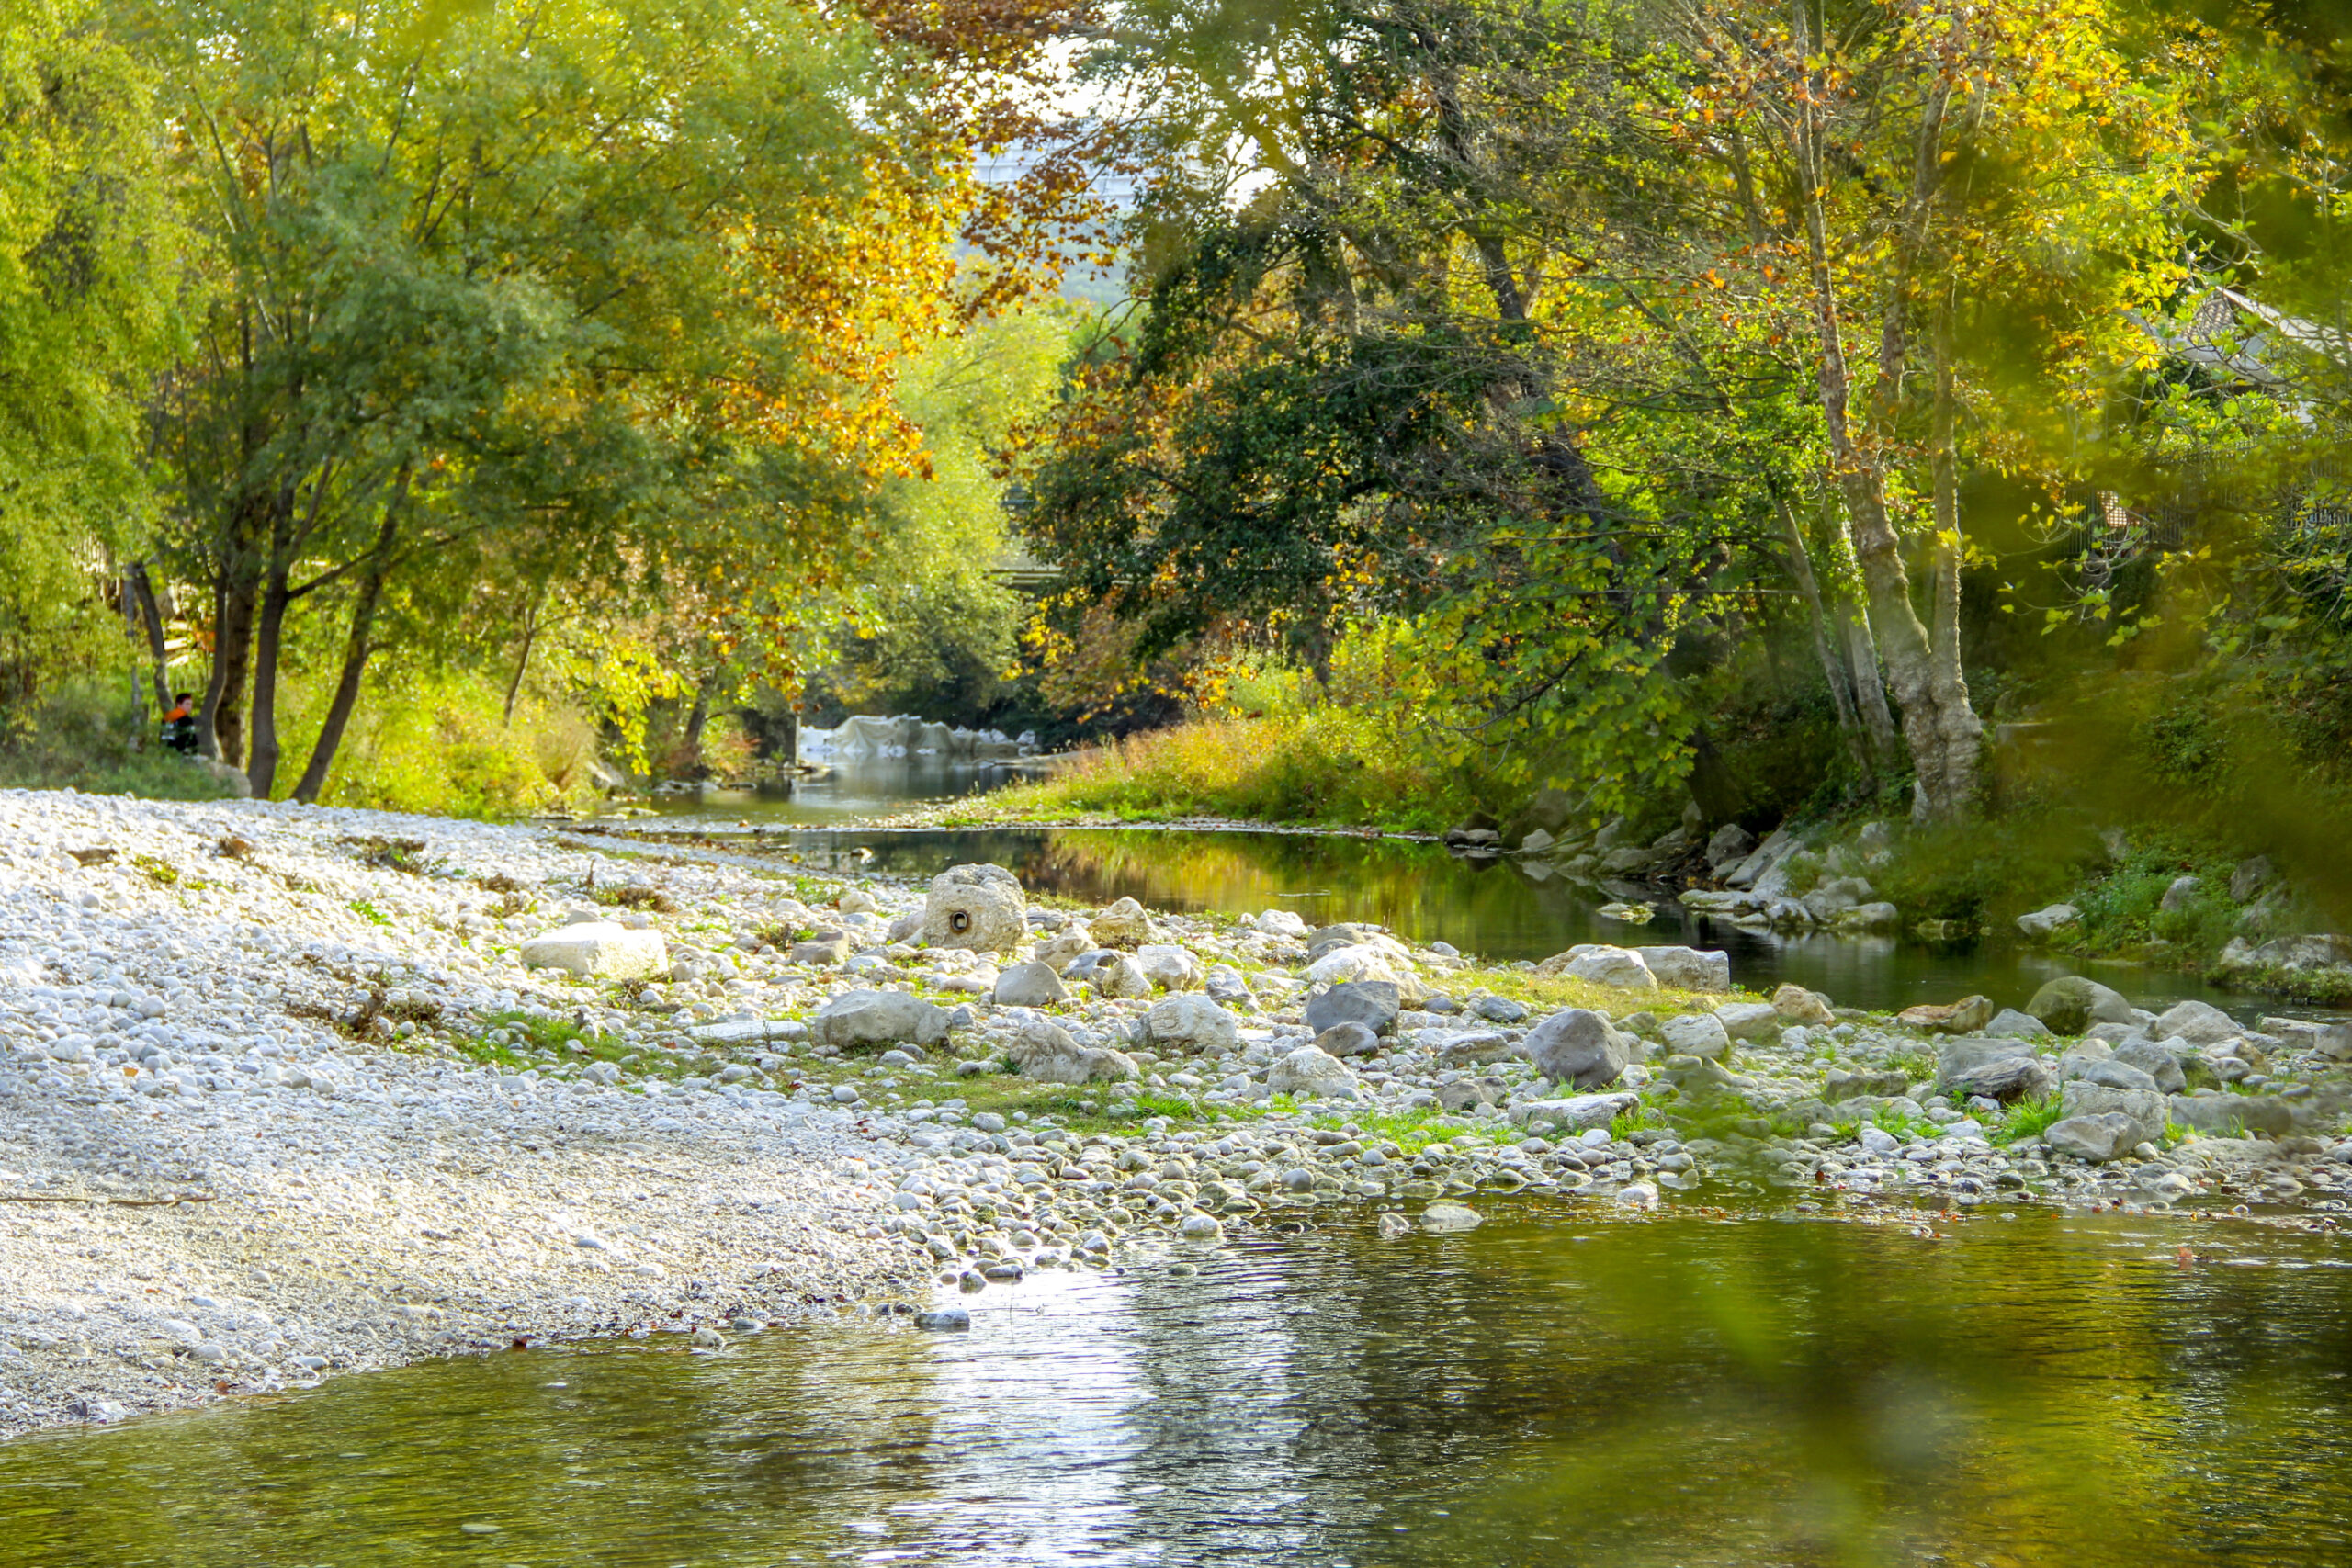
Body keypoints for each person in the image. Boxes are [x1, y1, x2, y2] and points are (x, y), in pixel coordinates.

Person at [161, 693, 199, 757]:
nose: (190, 707)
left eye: (191, 704)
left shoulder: (166, 718)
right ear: (179, 704)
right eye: (187, 704)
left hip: (166, 751)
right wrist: (194, 752)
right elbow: (191, 739)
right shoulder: (186, 719)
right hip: (181, 753)